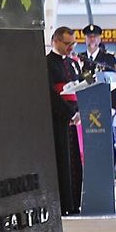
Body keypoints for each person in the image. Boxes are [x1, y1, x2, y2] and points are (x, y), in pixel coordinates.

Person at [46, 26, 83, 216]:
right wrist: (69, 113)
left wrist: (79, 112)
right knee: (62, 161)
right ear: (56, 41)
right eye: (67, 44)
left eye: (73, 43)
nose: (71, 47)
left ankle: (75, 202)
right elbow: (51, 94)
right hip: (58, 119)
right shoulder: (46, 63)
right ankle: (64, 204)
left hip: (74, 119)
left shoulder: (73, 63)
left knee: (75, 161)